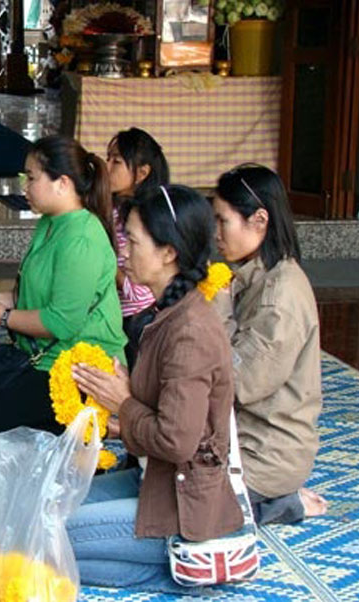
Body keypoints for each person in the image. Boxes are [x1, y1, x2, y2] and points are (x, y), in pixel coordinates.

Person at [65, 185, 243, 590]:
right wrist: (120, 412)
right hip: (153, 478)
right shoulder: (168, 313)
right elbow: (160, 417)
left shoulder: (191, 330)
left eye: (132, 240)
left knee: (43, 537)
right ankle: (165, 569)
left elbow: (177, 441)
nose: (122, 250)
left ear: (169, 253)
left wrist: (124, 404)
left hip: (180, 506)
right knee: (47, 504)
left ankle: (175, 571)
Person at [0, 135, 126, 435]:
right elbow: (35, 292)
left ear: (61, 183)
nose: (25, 187)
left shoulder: (81, 239)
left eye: (32, 178)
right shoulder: (51, 222)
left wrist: (2, 317)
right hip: (43, 354)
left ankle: (90, 423)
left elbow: (61, 322)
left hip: (77, 364)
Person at [212, 164, 327, 524]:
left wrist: (217, 309)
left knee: (178, 503)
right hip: (237, 438)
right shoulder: (254, 275)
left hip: (265, 452)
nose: (215, 234)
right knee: (152, 474)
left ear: (259, 220)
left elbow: (241, 383)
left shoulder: (281, 295)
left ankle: (279, 503)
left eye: (223, 221)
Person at [106, 128, 169, 371]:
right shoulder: (114, 208)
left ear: (142, 173)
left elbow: (139, 295)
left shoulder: (143, 220)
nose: (107, 166)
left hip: (135, 321)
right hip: (116, 314)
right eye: (108, 158)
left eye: (117, 161)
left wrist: (106, 263)